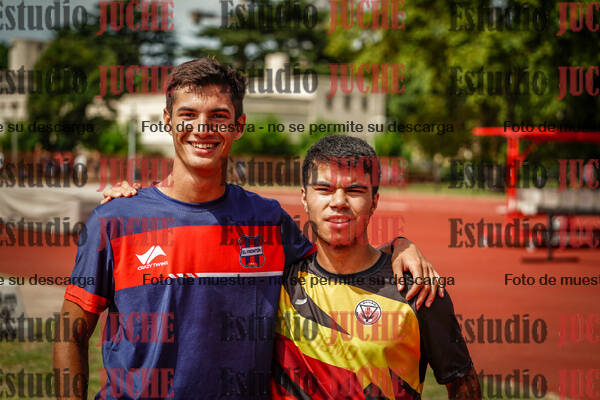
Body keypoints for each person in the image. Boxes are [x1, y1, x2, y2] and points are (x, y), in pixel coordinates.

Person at [54, 58, 442, 400]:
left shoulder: (267, 219)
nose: (202, 127)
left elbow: (335, 262)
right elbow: (71, 333)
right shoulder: (115, 220)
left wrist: (399, 246)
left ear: (238, 125)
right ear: (167, 120)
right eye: (188, 114)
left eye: (218, 116)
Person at [271, 135, 480, 400]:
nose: (338, 201)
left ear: (375, 201)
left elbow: (464, 386)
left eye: (355, 191)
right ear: (304, 197)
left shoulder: (417, 290)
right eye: (324, 189)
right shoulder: (276, 279)